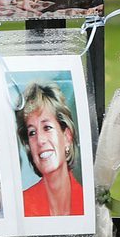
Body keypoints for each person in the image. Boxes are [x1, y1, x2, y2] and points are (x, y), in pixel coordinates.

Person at [19, 80, 84, 217]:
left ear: (66, 136)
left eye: (47, 127)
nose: (40, 140)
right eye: (32, 132)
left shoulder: (88, 204)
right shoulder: (21, 206)